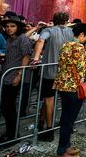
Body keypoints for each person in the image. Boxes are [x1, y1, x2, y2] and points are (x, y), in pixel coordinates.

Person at [31, 11, 74, 141]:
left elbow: (40, 41)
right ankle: (43, 121)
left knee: (49, 99)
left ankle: (49, 130)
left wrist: (36, 58)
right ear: (66, 21)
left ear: (53, 20)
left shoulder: (49, 30)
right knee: (59, 100)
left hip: (49, 71)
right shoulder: (71, 32)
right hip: (65, 72)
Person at [53, 23, 86, 157]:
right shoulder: (79, 47)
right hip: (74, 87)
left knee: (65, 117)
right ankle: (62, 150)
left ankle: (66, 146)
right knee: (69, 120)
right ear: (81, 34)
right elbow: (81, 66)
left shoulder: (65, 45)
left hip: (63, 85)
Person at [0, 16, 33, 146]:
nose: (9, 29)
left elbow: (26, 56)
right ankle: (10, 133)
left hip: (13, 77)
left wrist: (19, 75)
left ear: (18, 27)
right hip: (6, 76)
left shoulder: (22, 39)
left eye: (12, 26)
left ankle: (13, 136)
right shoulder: (9, 39)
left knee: (9, 107)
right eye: (7, 26)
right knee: (6, 107)